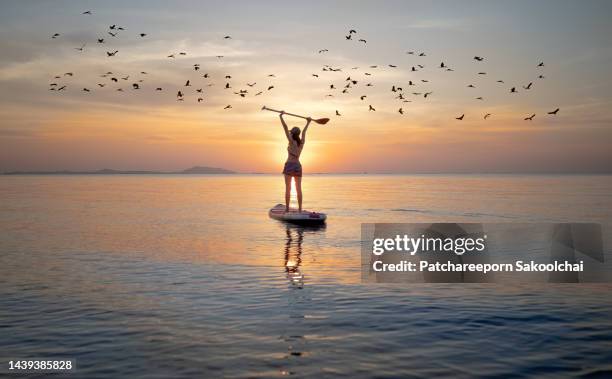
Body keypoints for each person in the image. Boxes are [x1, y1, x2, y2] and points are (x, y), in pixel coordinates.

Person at [279, 111, 311, 213]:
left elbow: (285, 128)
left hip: (289, 165)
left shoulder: (291, 141)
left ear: (292, 133)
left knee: (288, 188)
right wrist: (308, 122)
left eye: (291, 132)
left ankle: (287, 209)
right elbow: (304, 132)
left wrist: (281, 116)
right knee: (298, 189)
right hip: (298, 166)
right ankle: (300, 209)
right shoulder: (301, 143)